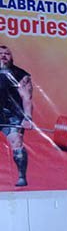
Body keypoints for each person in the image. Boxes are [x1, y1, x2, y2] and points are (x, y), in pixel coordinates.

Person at [0, 46, 33, 187]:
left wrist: (28, 118)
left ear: (11, 57)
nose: (3, 56)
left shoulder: (21, 75)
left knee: (16, 142)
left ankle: (21, 177)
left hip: (12, 116)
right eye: (0, 54)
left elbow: (27, 98)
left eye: (7, 54)